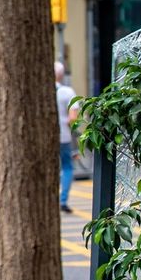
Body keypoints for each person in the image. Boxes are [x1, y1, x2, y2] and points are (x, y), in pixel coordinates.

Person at [55, 62, 79, 213]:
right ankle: (62, 200)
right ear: (61, 75)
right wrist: (76, 144)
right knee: (67, 167)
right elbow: (73, 119)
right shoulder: (67, 92)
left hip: (45, 139)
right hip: (63, 136)